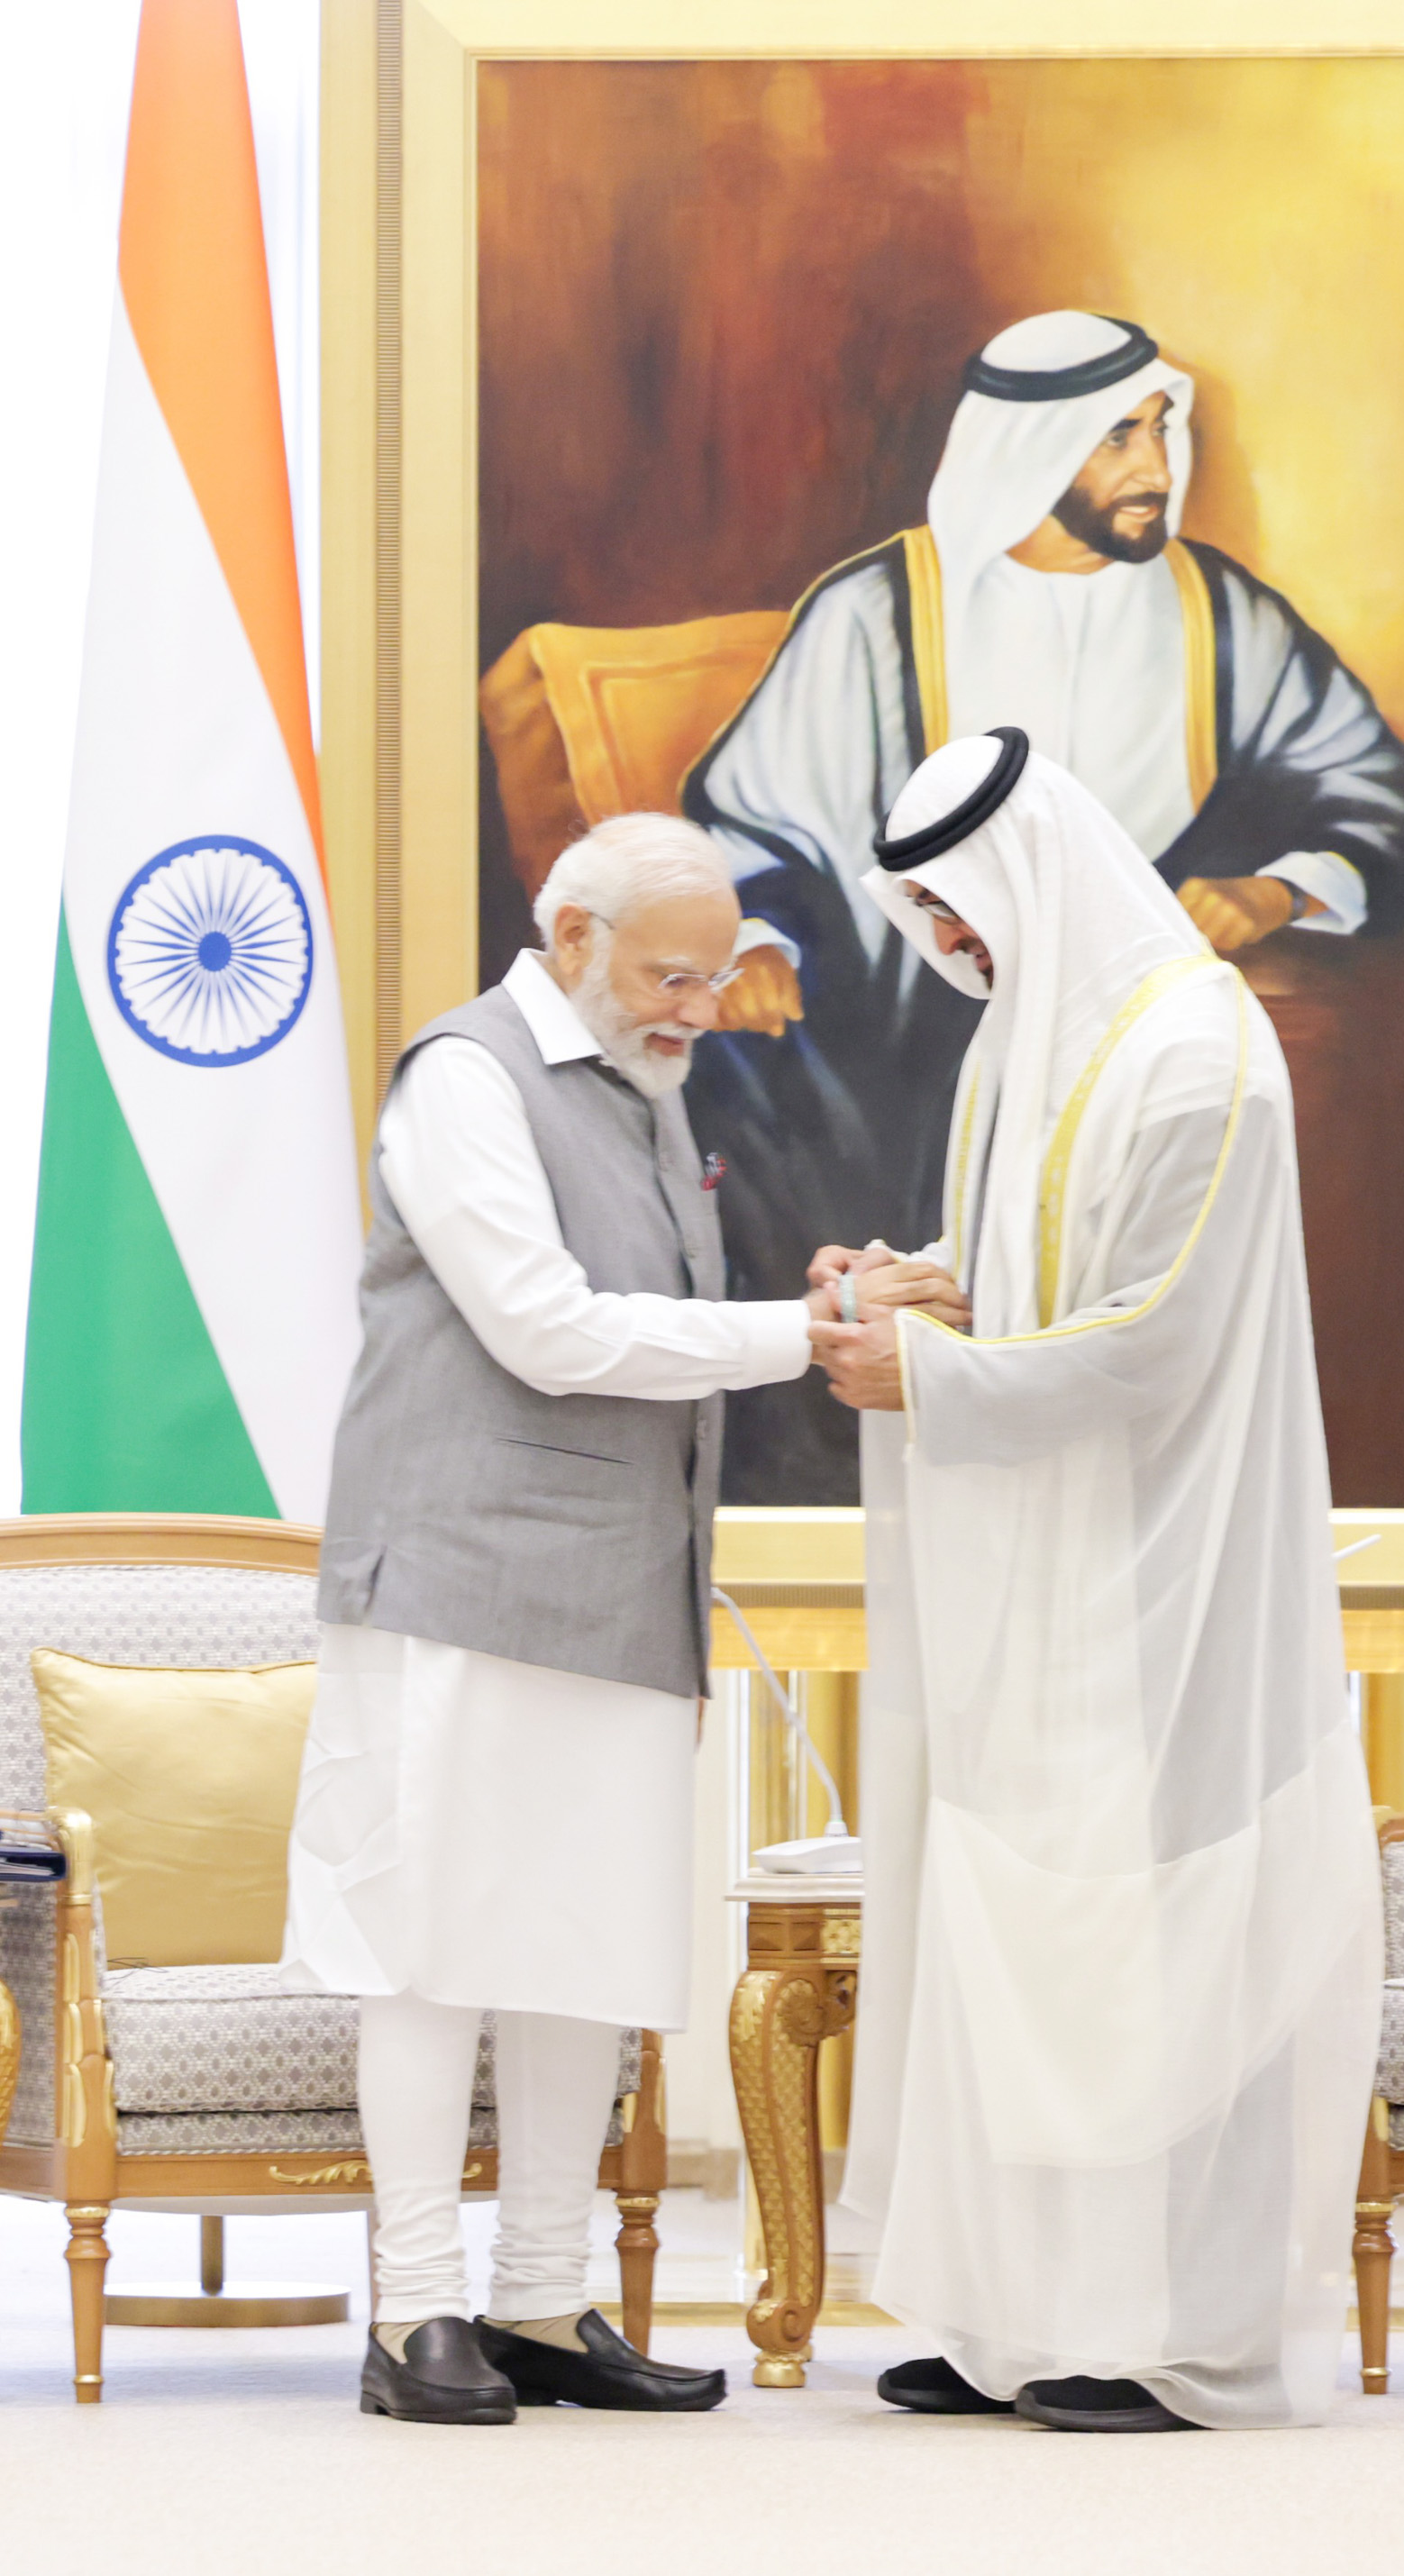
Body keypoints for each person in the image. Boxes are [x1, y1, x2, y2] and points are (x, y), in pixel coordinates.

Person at [280, 812, 959, 2424]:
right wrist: (806, 1334)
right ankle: (414, 2312)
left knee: (581, 1945)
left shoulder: (646, 1081)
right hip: (461, 1583)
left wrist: (811, 1296)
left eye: (718, 978)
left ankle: (536, 2300)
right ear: (571, 939)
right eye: (672, 977)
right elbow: (548, 1329)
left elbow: (651, 1305)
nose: (702, 1010)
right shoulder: (464, 1079)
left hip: (618, 1589)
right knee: (430, 1952)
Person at [808, 730, 1383, 2432]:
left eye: (955, 908)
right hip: (1038, 1573)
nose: (943, 943)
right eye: (920, 915)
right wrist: (911, 1289)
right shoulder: (1025, 1042)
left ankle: (1169, 2336)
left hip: (1168, 1574)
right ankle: (1013, 2317)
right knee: (1019, 1928)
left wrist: (929, 1376)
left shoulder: (1201, 1055)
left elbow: (1152, 1340)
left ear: (1034, 874)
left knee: (1157, 1938)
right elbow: (1033, 1274)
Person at [685, 307, 1404, 1504]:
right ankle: (814, 1443)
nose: (1155, 467)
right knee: (739, 1086)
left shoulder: (1218, 616)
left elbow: (1386, 799)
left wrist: (1278, 888)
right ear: (1032, 450)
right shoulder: (880, 612)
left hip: (1123, 1031)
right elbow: (750, 818)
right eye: (1116, 438)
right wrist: (756, 937)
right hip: (890, 1028)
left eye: (1159, 428)